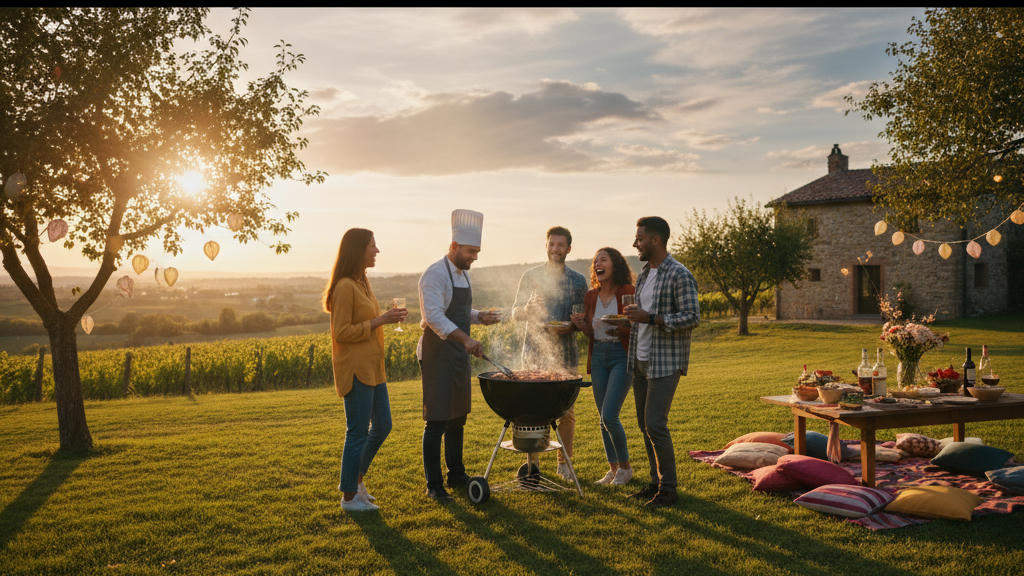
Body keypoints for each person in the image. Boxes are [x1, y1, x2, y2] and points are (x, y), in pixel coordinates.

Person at [418, 209, 501, 502]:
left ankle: (456, 474)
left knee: (457, 417)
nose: (474, 257)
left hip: (457, 354)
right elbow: (434, 317)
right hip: (437, 354)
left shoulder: (463, 274)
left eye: (477, 252)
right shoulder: (434, 275)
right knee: (437, 420)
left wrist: (480, 317)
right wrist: (466, 339)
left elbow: (460, 310)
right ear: (454, 246)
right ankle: (434, 485)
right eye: (470, 252)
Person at [326, 228, 407, 513]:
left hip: (374, 368)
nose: (377, 250)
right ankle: (349, 498)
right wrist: (380, 320)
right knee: (357, 432)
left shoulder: (362, 281)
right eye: (372, 245)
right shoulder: (345, 286)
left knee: (383, 425)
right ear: (358, 250)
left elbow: (369, 320)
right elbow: (341, 332)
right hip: (356, 369)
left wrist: (385, 318)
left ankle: (357, 480)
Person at [624, 216, 700, 508]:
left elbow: (692, 317)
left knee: (655, 424)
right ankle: (655, 483)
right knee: (645, 425)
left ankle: (669, 490)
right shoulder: (645, 273)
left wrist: (651, 318)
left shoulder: (679, 274)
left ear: (656, 240)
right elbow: (643, 316)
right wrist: (632, 318)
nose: (635, 243)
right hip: (640, 360)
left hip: (665, 363)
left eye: (640, 238)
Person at [510, 226, 588, 480]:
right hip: (533, 354)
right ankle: (532, 464)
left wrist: (572, 326)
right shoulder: (530, 276)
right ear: (546, 246)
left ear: (568, 249)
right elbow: (515, 313)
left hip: (566, 354)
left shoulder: (578, 281)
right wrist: (526, 310)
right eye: (552, 244)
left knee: (566, 413)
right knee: (531, 411)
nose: (555, 249)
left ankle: (564, 463)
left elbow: (582, 318)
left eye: (560, 245)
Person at [570, 247, 635, 486]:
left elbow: (634, 325)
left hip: (621, 354)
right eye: (596, 260)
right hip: (598, 355)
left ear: (615, 265)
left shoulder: (627, 291)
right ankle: (614, 469)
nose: (598, 263)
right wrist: (581, 325)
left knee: (609, 415)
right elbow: (590, 332)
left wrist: (621, 327)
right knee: (602, 418)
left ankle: (626, 468)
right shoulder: (591, 296)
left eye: (603, 259)